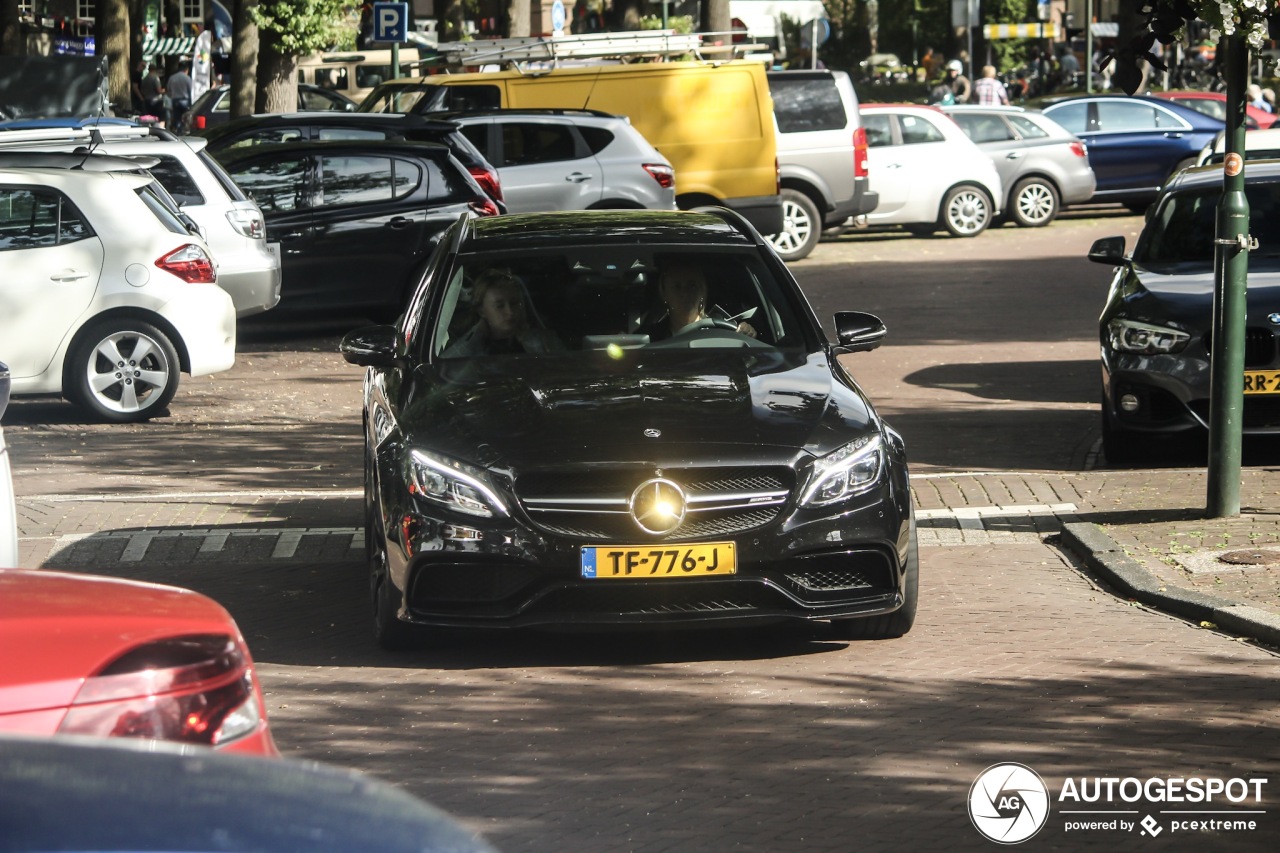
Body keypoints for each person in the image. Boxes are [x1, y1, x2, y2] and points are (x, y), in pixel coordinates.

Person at [442, 270, 563, 356]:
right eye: (499, 306)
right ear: (482, 311)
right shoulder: (467, 351)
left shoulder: (546, 343)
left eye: (515, 303)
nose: (509, 312)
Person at [638, 259, 757, 341]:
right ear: (664, 294)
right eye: (676, 287)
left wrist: (746, 333)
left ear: (703, 292)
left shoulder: (722, 331)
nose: (685, 293)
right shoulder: (649, 338)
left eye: (692, 286)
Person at [166, 59, 194, 131]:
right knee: (186, 118)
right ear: (186, 69)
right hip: (185, 100)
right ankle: (185, 130)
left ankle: (178, 131)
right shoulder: (187, 78)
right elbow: (191, 90)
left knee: (177, 118)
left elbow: (168, 90)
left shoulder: (172, 77)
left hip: (175, 100)